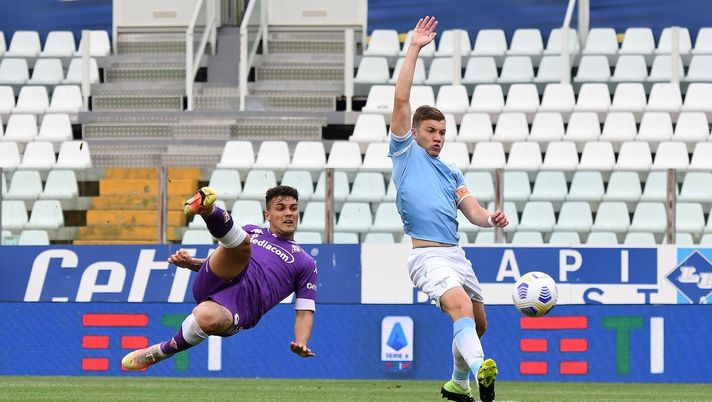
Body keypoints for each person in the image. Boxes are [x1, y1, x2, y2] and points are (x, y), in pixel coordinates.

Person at [388, 16, 509, 402]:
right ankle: (481, 370)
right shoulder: (405, 153)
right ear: (416, 131)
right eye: (431, 131)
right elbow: (402, 100)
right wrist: (414, 48)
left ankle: (458, 383)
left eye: (442, 132)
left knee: (479, 323)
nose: (438, 138)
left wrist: (490, 218)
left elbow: (471, 210)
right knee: (460, 308)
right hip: (427, 256)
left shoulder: (451, 168)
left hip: (456, 254)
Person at [122, 185, 318, 370]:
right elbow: (225, 259)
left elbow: (305, 310)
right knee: (242, 243)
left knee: (206, 317)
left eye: (293, 208)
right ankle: (207, 209)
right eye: (280, 208)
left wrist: (301, 341)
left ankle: (159, 352)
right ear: (268, 215)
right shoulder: (252, 231)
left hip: (239, 306)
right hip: (216, 278)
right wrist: (193, 263)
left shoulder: (305, 262)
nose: (288, 213)